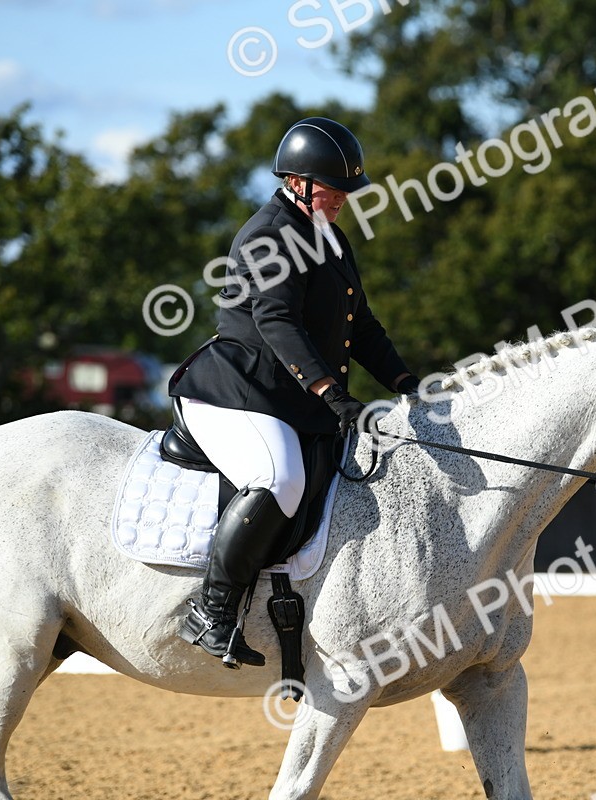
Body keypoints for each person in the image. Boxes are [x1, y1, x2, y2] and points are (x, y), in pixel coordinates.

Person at [169, 117, 419, 667]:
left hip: (290, 394)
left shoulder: (329, 234)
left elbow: (363, 324)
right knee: (277, 478)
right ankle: (211, 612)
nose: (344, 201)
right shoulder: (269, 234)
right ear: (299, 183)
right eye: (334, 191)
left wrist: (406, 382)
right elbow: (277, 321)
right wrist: (332, 391)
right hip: (238, 389)